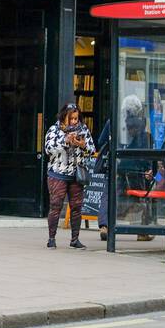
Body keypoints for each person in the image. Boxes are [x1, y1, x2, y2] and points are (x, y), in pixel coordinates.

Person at [44, 102, 94, 249]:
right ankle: (51, 238)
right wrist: (65, 141)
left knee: (77, 207)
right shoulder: (55, 130)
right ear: (64, 117)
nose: (74, 121)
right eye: (71, 118)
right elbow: (49, 148)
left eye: (76, 118)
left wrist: (83, 145)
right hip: (58, 173)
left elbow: (92, 149)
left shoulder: (83, 129)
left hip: (76, 174)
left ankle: (75, 239)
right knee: (56, 205)